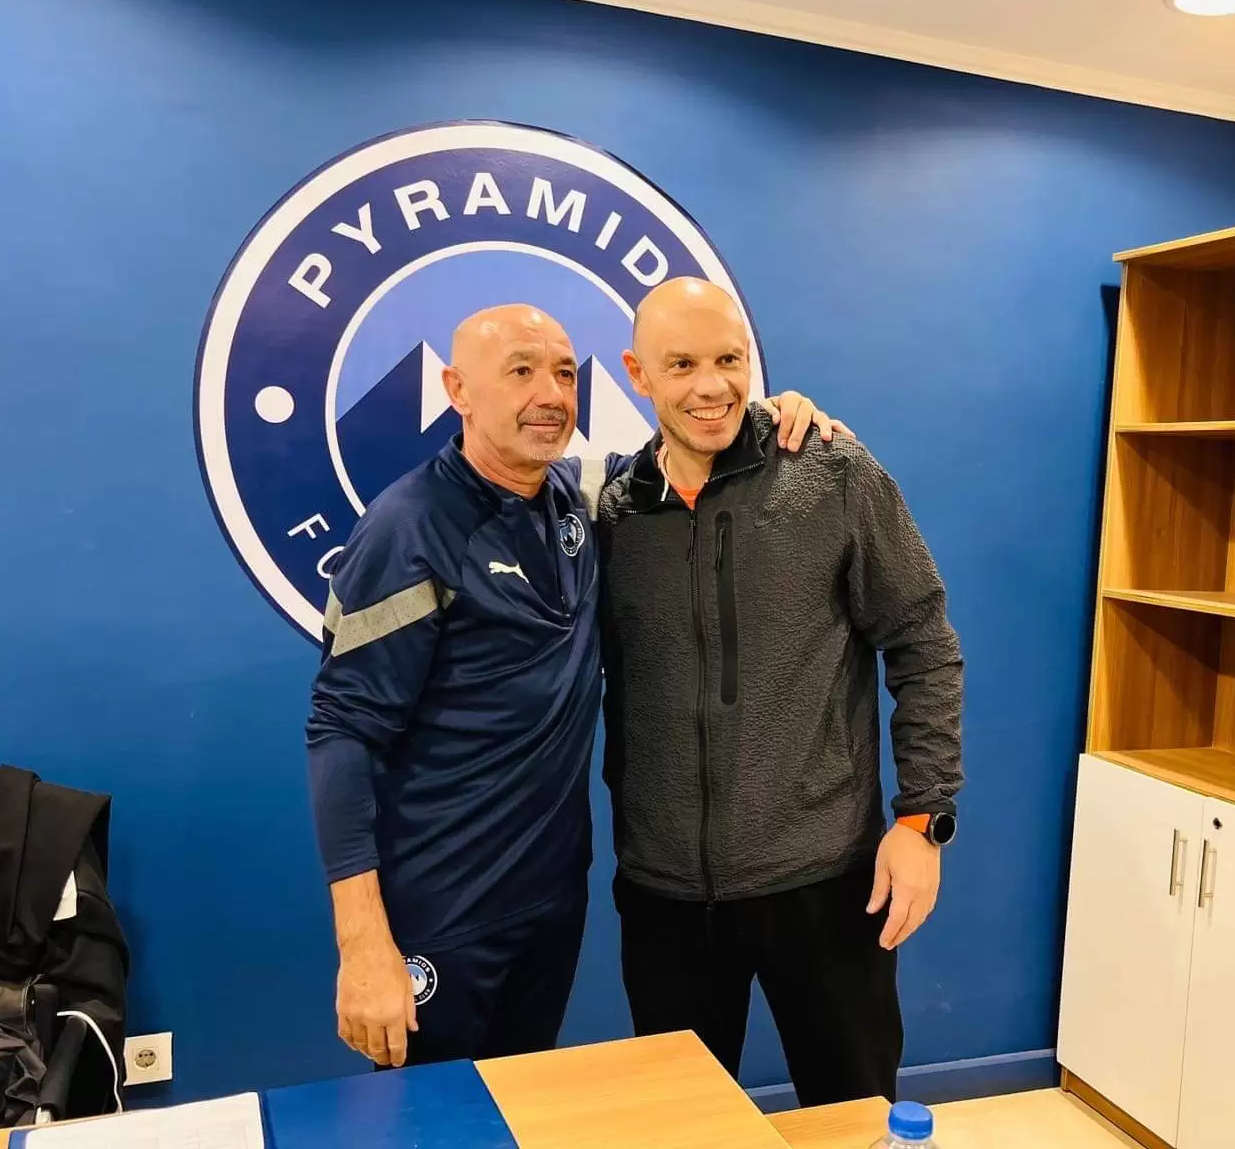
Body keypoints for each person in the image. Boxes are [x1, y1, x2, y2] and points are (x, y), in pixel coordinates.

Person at [304, 302, 841, 1069]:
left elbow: (684, 448)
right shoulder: (408, 529)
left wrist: (772, 414)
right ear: (457, 390)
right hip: (442, 914)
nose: (551, 394)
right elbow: (341, 732)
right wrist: (362, 946)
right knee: (433, 1120)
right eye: (520, 371)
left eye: (563, 372)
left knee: (521, 1106)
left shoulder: (580, 495)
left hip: (550, 906)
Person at [596, 278, 964, 1107]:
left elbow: (924, 643)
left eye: (729, 360)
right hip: (664, 897)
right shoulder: (617, 512)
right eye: (681, 364)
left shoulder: (830, 473)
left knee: (854, 1118)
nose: (711, 386)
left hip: (824, 883)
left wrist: (924, 820)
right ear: (637, 373)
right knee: (682, 1125)